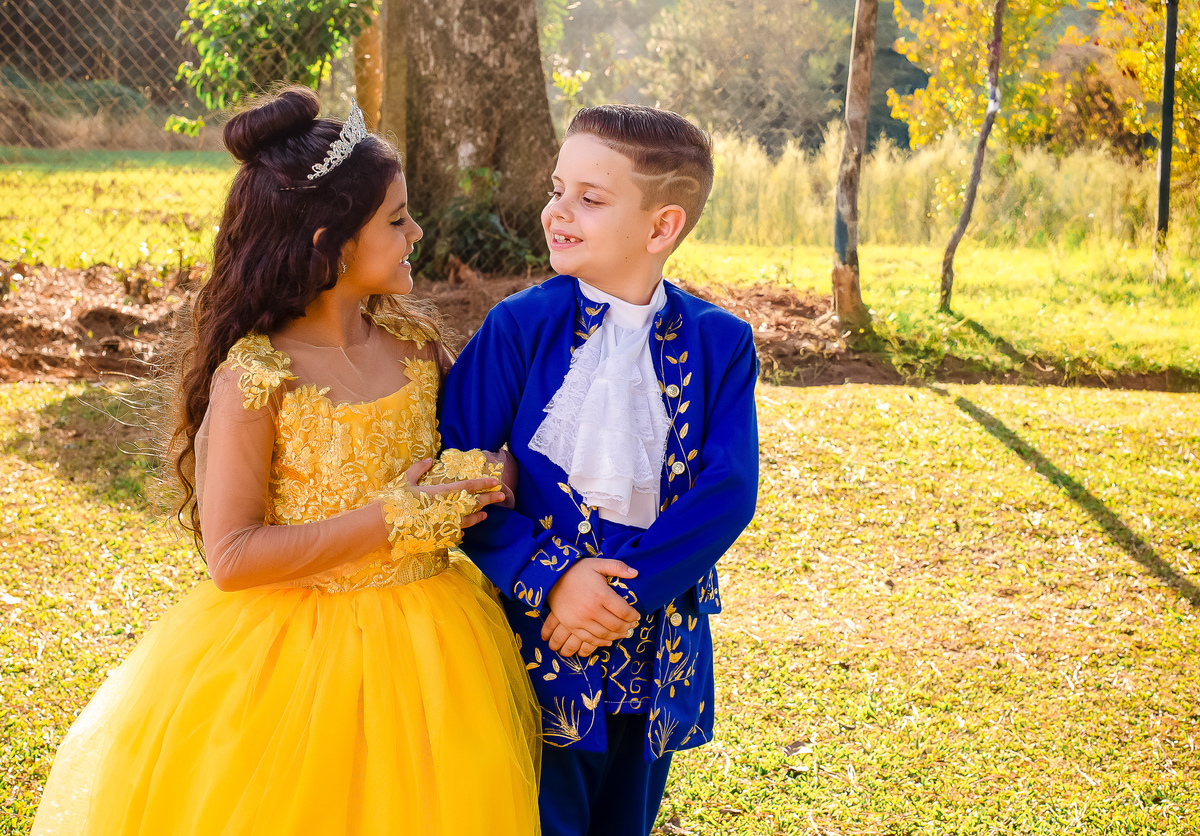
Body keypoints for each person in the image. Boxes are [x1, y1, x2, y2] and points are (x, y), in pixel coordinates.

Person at [31, 86, 541, 835]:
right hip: (295, 659)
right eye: (396, 219)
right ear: (329, 242)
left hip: (435, 644)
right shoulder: (258, 377)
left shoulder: (417, 346)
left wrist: (487, 477)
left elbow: (469, 458)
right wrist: (392, 519)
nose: (416, 231)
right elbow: (232, 557)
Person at [439, 104, 760, 836]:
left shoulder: (722, 343)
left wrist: (623, 596)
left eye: (589, 198)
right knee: (536, 816)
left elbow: (729, 490)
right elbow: (458, 474)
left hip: (656, 640)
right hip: (537, 635)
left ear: (661, 227)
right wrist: (555, 579)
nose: (557, 212)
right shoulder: (518, 327)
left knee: (627, 819)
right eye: (558, 189)